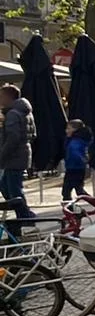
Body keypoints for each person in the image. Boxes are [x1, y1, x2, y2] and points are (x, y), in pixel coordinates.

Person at [0, 84, 36, 220]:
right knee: (7, 187)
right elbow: (32, 135)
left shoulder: (13, 114)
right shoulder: (24, 112)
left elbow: (12, 138)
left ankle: (26, 217)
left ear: (8, 97)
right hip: (22, 154)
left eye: (1, 96)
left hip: (13, 157)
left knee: (13, 190)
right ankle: (24, 215)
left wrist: (2, 155)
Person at [63, 119, 92, 200]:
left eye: (69, 129)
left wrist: (83, 161)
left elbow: (75, 153)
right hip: (74, 167)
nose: (66, 131)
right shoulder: (77, 140)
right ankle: (71, 207)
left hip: (74, 168)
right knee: (76, 190)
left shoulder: (75, 141)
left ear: (75, 130)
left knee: (68, 190)